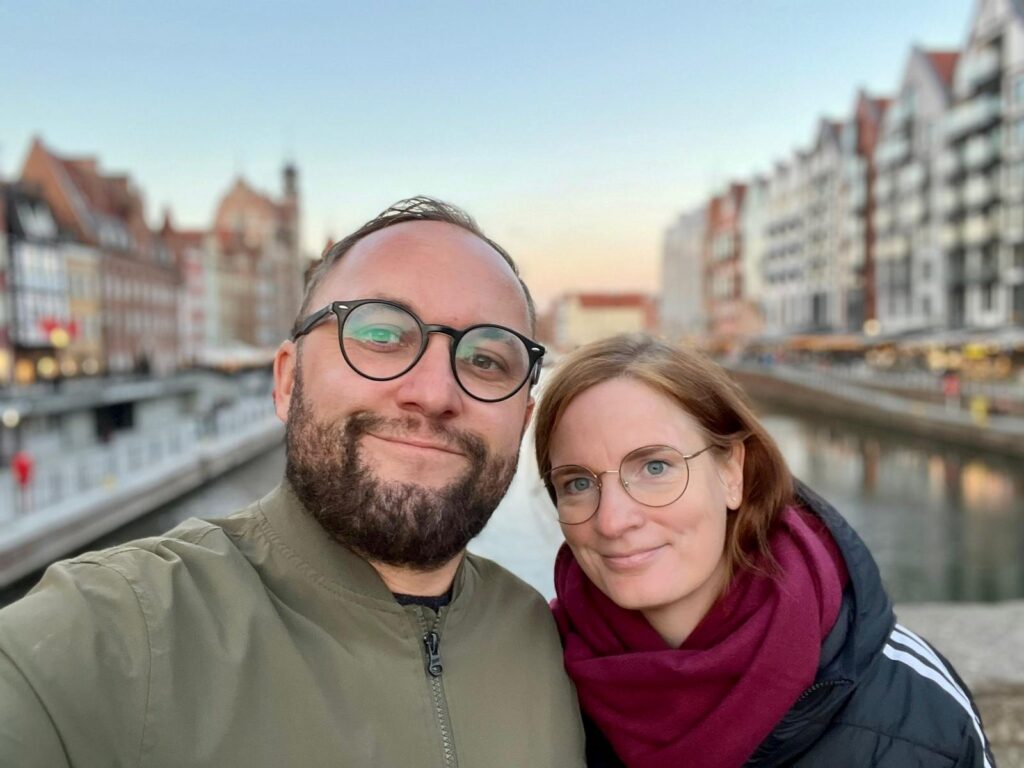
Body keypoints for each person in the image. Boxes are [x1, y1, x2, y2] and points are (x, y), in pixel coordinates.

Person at [0, 198, 586, 767]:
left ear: (522, 419)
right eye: (381, 336)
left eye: (487, 360)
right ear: (286, 381)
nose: (434, 393)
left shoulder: (546, 641)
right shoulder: (118, 633)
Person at [533, 333, 994, 768]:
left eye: (655, 467)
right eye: (578, 483)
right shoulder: (533, 677)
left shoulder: (916, 715)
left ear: (732, 472)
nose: (612, 520)